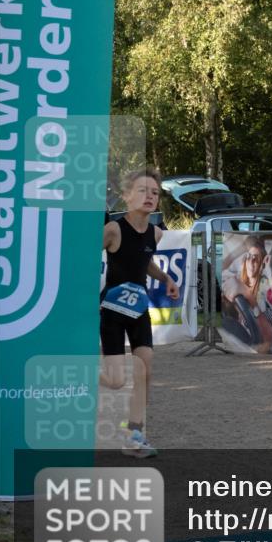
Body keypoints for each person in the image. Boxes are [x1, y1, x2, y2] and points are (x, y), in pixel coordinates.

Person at [100, 167, 179, 458]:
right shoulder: (113, 230)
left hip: (138, 309)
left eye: (155, 193)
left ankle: (133, 434)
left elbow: (144, 261)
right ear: (127, 196)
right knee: (117, 381)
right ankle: (81, 377)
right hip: (111, 309)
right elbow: (82, 259)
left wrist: (166, 279)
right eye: (143, 191)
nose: (149, 196)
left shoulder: (155, 233)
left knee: (145, 366)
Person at [221, 235, 269, 345]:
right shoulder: (239, 279)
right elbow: (220, 270)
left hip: (253, 339)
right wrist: (243, 247)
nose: (251, 261)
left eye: (256, 258)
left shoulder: (265, 288)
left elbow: (263, 322)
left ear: (262, 264)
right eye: (249, 256)